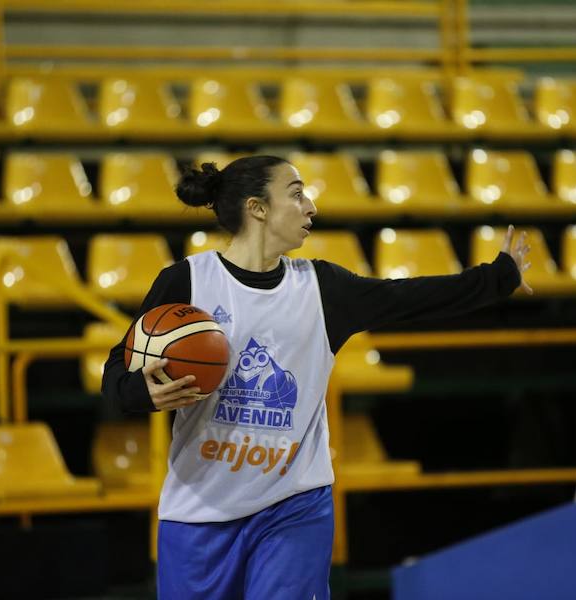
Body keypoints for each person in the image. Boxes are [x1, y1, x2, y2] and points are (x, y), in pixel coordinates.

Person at [101, 155, 532, 599]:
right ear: (258, 208)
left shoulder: (323, 288)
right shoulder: (186, 282)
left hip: (293, 506)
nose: (311, 207)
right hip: (198, 511)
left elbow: (412, 298)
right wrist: (145, 391)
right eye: (296, 193)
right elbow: (116, 375)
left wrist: (499, 277)